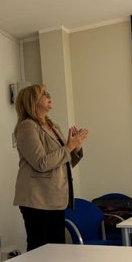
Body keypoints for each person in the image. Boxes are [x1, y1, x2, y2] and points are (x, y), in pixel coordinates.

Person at [13, 84, 88, 251]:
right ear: (32, 101)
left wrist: (76, 148)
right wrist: (69, 146)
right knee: (40, 250)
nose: (49, 96)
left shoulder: (53, 127)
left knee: (57, 250)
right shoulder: (27, 126)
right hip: (37, 199)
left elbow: (62, 162)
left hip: (55, 198)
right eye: (44, 94)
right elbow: (41, 163)